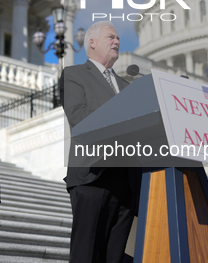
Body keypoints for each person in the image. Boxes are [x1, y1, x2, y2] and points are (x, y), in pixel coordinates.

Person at [60, 21, 140, 263]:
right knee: (87, 253)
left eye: (118, 38)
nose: (117, 41)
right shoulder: (73, 75)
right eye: (111, 37)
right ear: (91, 42)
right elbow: (79, 119)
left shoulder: (128, 87)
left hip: (127, 181)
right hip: (93, 175)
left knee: (117, 256)